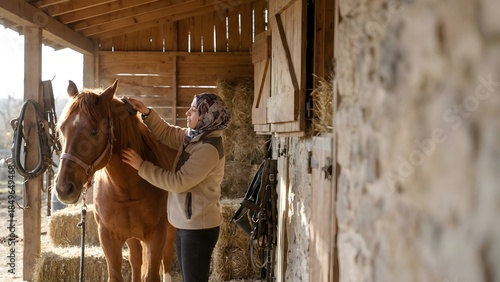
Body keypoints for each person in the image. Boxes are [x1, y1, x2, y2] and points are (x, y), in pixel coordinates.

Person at [122, 93, 231, 282]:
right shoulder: (195, 137)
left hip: (198, 229)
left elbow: (178, 182)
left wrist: (142, 167)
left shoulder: (208, 149)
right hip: (187, 224)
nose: (187, 112)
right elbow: (167, 133)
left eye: (194, 110)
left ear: (207, 116)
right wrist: (147, 113)